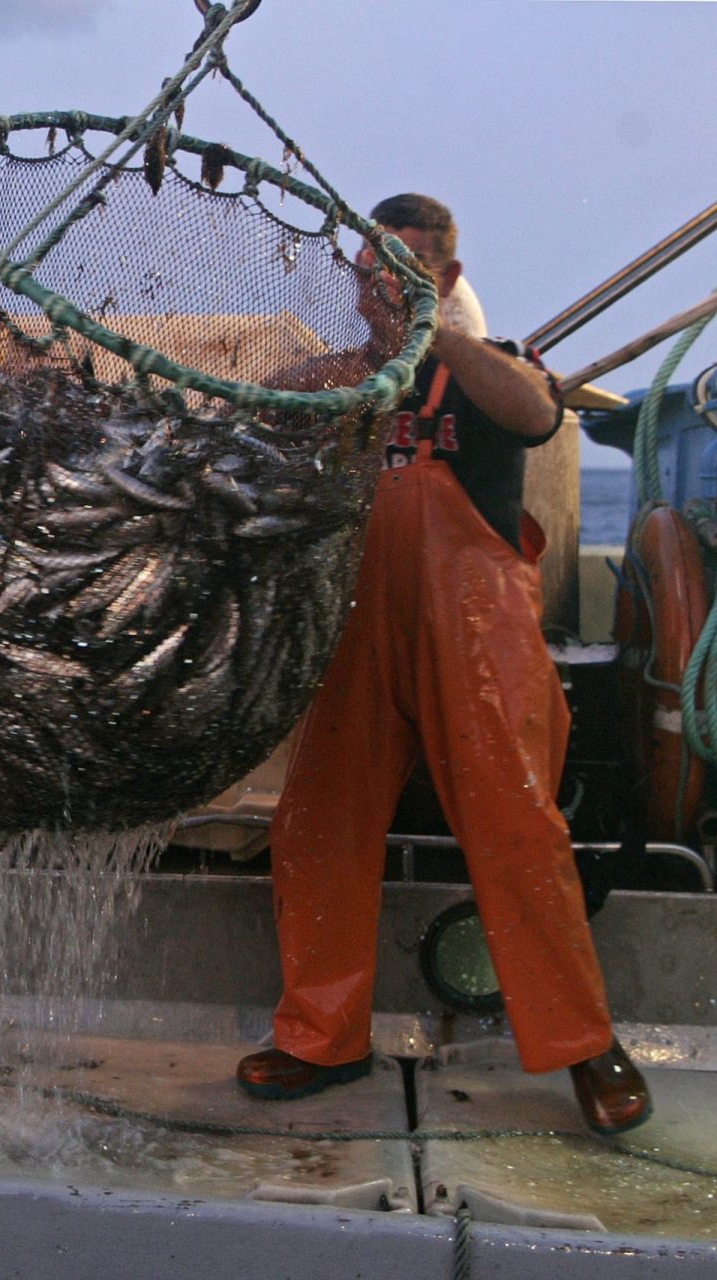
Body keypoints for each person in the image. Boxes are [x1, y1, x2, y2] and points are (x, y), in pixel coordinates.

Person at [237, 194, 650, 1136]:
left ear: (449, 277)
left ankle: (585, 1044)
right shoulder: (327, 380)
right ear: (355, 277)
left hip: (477, 632)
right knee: (318, 822)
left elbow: (537, 416)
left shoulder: (495, 368)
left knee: (517, 823)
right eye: (381, 268)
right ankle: (319, 1038)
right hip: (349, 633)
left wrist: (438, 332)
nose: (396, 282)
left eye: (419, 266)